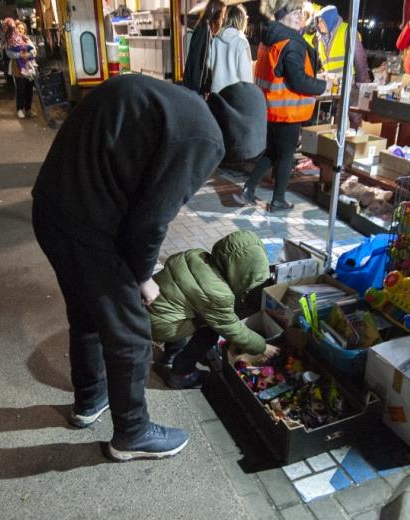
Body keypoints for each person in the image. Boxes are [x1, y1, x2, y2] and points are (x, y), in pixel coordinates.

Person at [31, 76, 266, 462]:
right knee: (132, 335)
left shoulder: (180, 103)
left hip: (53, 208)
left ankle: (90, 400)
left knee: (88, 313)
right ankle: (132, 433)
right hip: (87, 223)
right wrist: (143, 277)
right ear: (242, 136)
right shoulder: (205, 137)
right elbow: (151, 220)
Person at [149, 230, 280, 389]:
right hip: (160, 325)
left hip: (147, 308)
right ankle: (181, 374)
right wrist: (263, 347)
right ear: (242, 273)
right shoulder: (218, 294)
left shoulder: (196, 255)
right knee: (210, 331)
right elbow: (233, 330)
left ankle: (171, 354)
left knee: (183, 309)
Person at [240, 0, 326, 212]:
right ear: (280, 14)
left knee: (271, 152)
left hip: (270, 107)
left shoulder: (269, 37)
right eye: (293, 12)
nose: (299, 16)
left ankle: (248, 188)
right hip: (288, 110)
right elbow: (298, 80)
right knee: (286, 156)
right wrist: (323, 85)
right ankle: (278, 200)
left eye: (300, 12)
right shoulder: (291, 42)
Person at [314, 5, 371, 128]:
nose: (319, 25)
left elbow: (360, 57)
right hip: (334, 87)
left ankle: (353, 143)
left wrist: (362, 84)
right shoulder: (321, 38)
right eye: (317, 22)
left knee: (353, 115)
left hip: (350, 84)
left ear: (329, 20)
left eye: (321, 21)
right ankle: (336, 143)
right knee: (336, 118)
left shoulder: (347, 31)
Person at [183, 0, 226, 96]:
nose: (222, 21)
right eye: (222, 17)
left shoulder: (204, 27)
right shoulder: (204, 29)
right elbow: (199, 63)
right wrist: (198, 92)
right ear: (215, 15)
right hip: (196, 90)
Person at [208, 4, 253, 93]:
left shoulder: (216, 40)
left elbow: (209, 65)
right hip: (234, 96)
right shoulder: (242, 43)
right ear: (242, 21)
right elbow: (246, 79)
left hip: (216, 95)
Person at [5, 20, 38, 119]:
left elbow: (34, 51)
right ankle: (19, 109)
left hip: (29, 68)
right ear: (15, 29)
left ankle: (28, 109)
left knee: (29, 88)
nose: (21, 30)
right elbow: (9, 53)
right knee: (21, 88)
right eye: (19, 28)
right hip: (17, 68)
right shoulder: (11, 40)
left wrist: (29, 54)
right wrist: (20, 55)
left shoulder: (27, 39)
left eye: (23, 29)